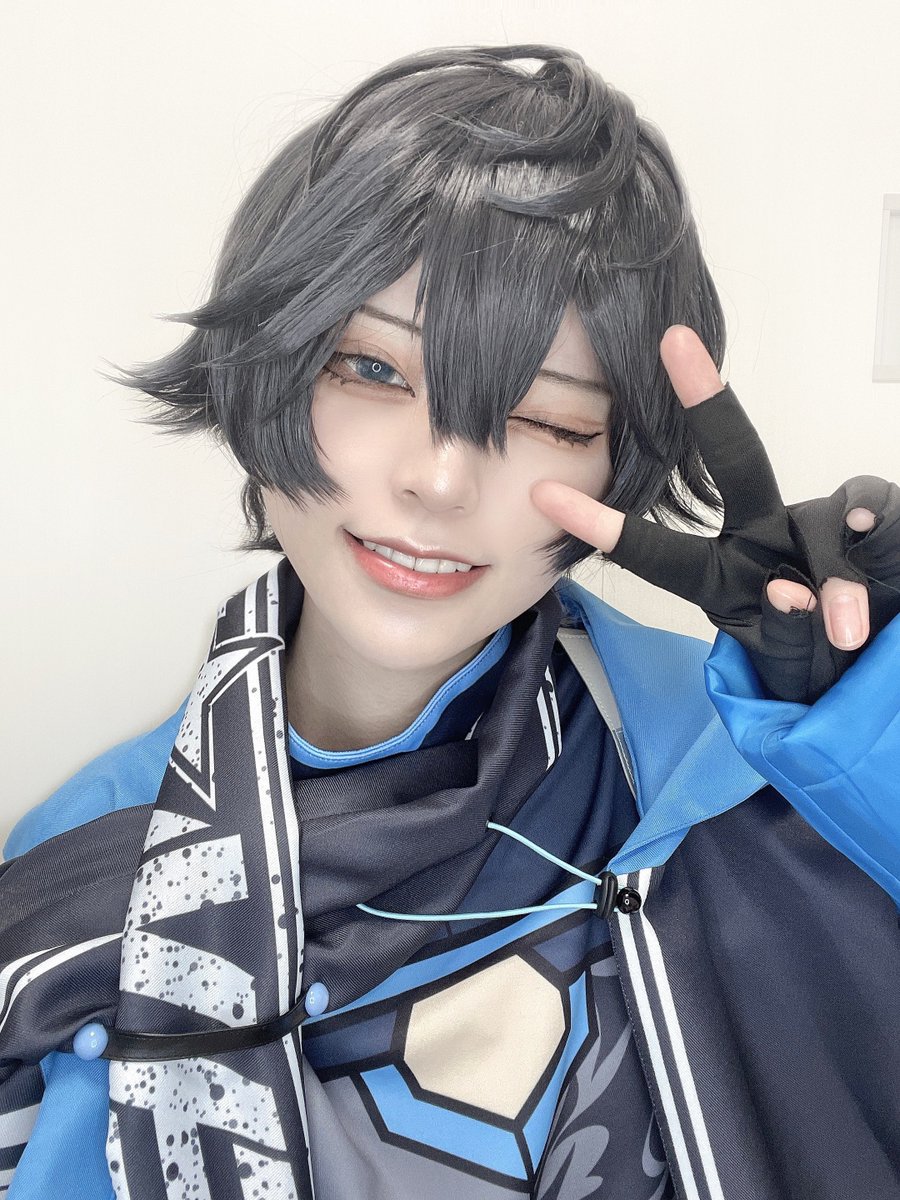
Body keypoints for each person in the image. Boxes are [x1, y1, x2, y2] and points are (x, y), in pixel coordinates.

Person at [1, 42, 898, 1200]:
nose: (439, 480)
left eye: (549, 420)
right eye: (372, 372)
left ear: (619, 466)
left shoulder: (744, 755)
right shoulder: (85, 878)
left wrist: (865, 722)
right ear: (261, 367)